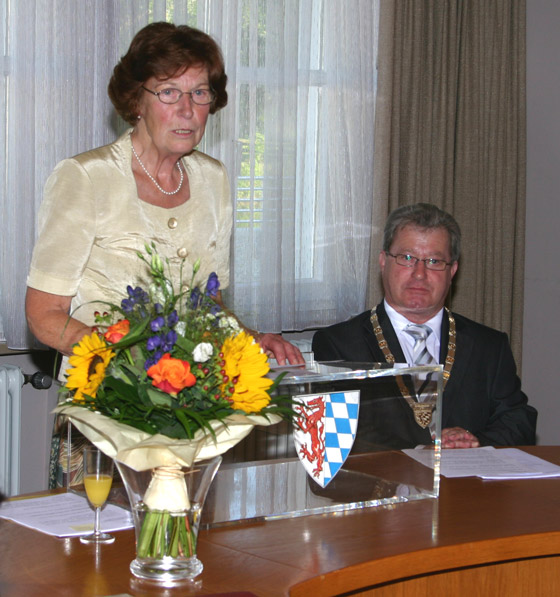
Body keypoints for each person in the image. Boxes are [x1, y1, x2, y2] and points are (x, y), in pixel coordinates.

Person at [25, 22, 302, 485]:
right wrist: (128, 364)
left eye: (200, 93)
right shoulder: (85, 178)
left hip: (193, 410)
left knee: (186, 542)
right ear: (137, 100)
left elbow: (204, 305)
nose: (188, 110)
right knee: (98, 550)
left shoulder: (214, 180)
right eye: (170, 92)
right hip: (105, 411)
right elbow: (44, 314)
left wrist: (252, 339)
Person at [312, 203, 537, 449]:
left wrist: (473, 443)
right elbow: (330, 438)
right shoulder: (337, 345)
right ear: (383, 261)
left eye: (434, 261)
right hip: (382, 486)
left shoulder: (490, 346)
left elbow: (518, 420)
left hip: (466, 485)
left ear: (452, 270)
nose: (419, 273)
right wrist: (424, 450)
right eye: (407, 258)